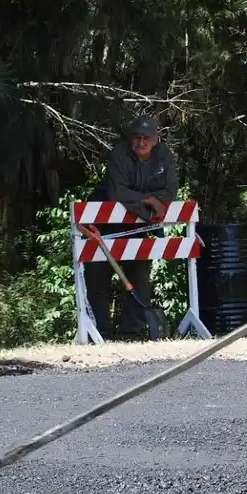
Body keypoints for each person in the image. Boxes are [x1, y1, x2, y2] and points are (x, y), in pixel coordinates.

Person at [84, 114, 177, 339]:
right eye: (136, 137)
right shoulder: (119, 154)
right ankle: (102, 333)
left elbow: (169, 192)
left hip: (138, 228)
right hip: (102, 226)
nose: (141, 142)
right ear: (129, 138)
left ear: (156, 139)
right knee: (98, 279)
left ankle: (131, 333)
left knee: (140, 278)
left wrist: (140, 205)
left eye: (147, 137)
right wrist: (148, 202)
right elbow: (116, 192)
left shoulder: (164, 156)